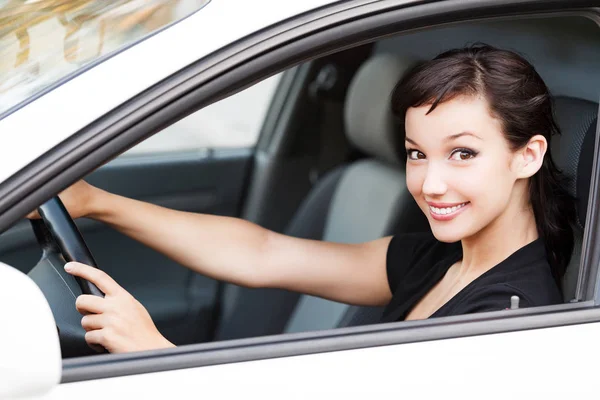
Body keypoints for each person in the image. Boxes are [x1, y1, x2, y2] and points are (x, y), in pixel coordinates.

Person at [30, 44, 576, 354]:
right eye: (416, 153)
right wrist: (96, 201)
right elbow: (263, 253)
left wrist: (156, 356)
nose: (431, 184)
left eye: (462, 154)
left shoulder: (511, 322)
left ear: (526, 156)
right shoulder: (437, 260)